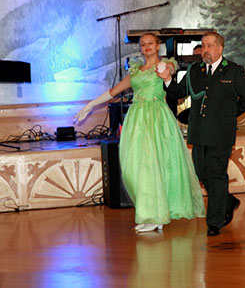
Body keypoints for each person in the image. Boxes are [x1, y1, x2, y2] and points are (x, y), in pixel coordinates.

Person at [74, 33, 205, 233]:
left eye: (150, 43)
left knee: (153, 167)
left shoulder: (165, 65)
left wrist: (166, 69)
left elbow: (169, 69)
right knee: (134, 169)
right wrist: (91, 104)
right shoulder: (135, 71)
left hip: (157, 119)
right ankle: (149, 212)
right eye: (143, 44)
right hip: (137, 121)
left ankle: (155, 215)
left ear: (158, 46)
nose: (147, 47)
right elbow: (113, 91)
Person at [158, 31, 245, 236]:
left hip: (221, 132)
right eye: (203, 46)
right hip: (199, 132)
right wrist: (167, 79)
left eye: (209, 46)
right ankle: (227, 201)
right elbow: (178, 92)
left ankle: (215, 221)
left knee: (216, 173)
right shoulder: (195, 70)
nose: (205, 50)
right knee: (201, 172)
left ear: (220, 48)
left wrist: (230, 114)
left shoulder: (233, 71)